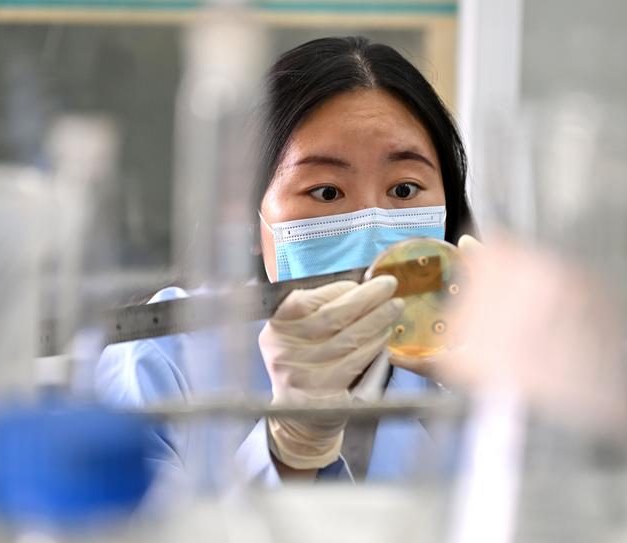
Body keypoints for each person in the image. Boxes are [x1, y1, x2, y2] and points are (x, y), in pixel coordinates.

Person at [95, 36, 477, 486]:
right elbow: (136, 530)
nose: (373, 229)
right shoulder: (157, 363)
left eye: (404, 189)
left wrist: (512, 402)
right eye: (327, 192)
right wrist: (288, 442)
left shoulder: (470, 364)